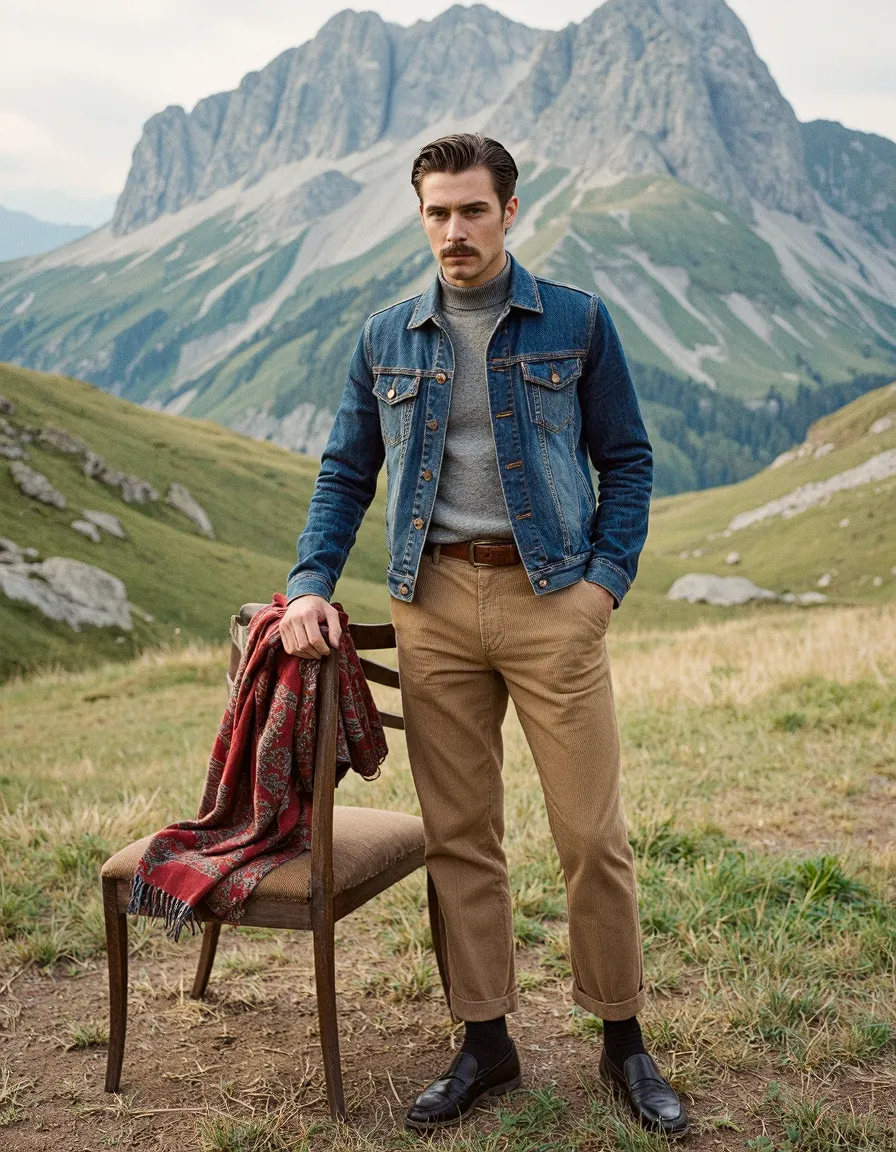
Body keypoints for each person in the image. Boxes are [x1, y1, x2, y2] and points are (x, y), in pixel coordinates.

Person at [279, 133, 688, 1139]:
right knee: (462, 838)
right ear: (419, 217)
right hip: (430, 608)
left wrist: (602, 586)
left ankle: (621, 1040)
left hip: (549, 600)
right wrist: (305, 585)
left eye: (471, 210)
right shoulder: (384, 338)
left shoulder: (579, 324)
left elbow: (626, 462)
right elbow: (344, 473)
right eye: (436, 213)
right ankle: (484, 1039)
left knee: (589, 835)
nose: (453, 231)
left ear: (509, 212)